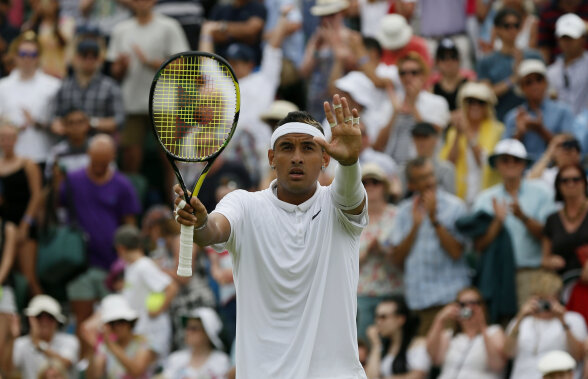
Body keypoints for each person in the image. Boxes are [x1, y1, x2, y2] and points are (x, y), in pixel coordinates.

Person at [174, 94, 368, 378]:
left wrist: (350, 164)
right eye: (287, 148)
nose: (297, 157)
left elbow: (351, 195)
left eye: (308, 148)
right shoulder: (244, 203)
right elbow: (213, 230)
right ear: (271, 158)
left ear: (326, 158)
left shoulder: (338, 203)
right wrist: (201, 222)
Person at [62, 134, 140, 357]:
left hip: (112, 266)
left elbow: (130, 227)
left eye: (103, 162)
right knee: (84, 323)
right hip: (80, 266)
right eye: (95, 161)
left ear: (112, 158)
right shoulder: (73, 180)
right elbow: (53, 207)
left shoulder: (122, 185)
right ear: (88, 156)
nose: (98, 167)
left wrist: (126, 263)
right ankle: (87, 367)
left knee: (112, 323)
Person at [107, 0, 189, 175]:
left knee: (169, 158)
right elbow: (115, 71)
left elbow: (181, 66)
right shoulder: (120, 29)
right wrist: (121, 66)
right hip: (132, 102)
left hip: (163, 103)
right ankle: (130, 201)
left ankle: (176, 200)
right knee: (130, 156)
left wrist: (149, 62)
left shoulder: (169, 26)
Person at [390, 157, 470, 336]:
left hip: (449, 301)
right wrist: (415, 227)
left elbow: (457, 252)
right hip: (418, 303)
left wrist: (434, 219)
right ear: (411, 185)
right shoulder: (403, 211)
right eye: (422, 178)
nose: (430, 182)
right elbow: (396, 259)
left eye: (431, 175)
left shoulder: (455, 206)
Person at [473, 139, 555, 307]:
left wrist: (523, 217)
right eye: (505, 160)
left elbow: (550, 236)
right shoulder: (484, 199)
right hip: (497, 277)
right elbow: (478, 246)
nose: (511, 164)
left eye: (516, 160)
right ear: (496, 164)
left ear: (524, 164)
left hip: (532, 274)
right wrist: (497, 223)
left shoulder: (542, 192)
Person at [114, 224, 178, 362]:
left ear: (120, 248)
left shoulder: (144, 266)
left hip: (153, 331)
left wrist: (157, 310)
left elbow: (171, 287)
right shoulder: (132, 266)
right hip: (142, 330)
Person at [373, 52, 450, 167]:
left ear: (423, 75)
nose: (408, 77)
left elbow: (433, 139)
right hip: (392, 167)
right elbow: (378, 146)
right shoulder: (390, 104)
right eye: (403, 73)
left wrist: (413, 106)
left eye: (414, 72)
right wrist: (394, 113)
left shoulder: (437, 102)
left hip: (421, 167)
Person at [504, 274, 587, 379]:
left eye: (549, 300)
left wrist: (563, 322)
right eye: (540, 299)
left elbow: (578, 355)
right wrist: (520, 318)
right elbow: (507, 353)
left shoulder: (573, 319)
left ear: (558, 298)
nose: (544, 305)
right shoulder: (521, 321)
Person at [0, 31, 61, 166]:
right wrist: (11, 126)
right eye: (23, 54)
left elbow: (59, 123)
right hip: (8, 158)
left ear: (39, 57)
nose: (27, 59)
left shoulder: (54, 86)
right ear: (15, 56)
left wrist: (38, 123)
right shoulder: (2, 86)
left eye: (33, 55)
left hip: (42, 153)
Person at [439, 82, 504, 205]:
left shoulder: (498, 130)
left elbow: (484, 162)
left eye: (480, 102)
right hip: (460, 198)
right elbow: (449, 165)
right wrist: (458, 135)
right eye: (471, 102)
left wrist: (468, 134)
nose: (475, 106)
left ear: (487, 106)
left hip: (486, 196)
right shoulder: (453, 132)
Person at [356, 163, 400, 341]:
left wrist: (384, 251)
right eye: (365, 182)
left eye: (375, 182)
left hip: (393, 290)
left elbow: (405, 253)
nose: (370, 186)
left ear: (384, 186)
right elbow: (344, 260)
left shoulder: (398, 215)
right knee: (364, 344)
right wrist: (368, 251)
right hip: (364, 293)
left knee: (393, 346)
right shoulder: (353, 218)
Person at [477, 7, 543, 121]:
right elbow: (485, 95)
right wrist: (514, 79)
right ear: (497, 29)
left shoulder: (534, 56)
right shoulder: (486, 61)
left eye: (516, 25)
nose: (512, 30)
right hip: (499, 120)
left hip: (532, 119)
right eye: (507, 26)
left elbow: (543, 90)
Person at [0, 121, 43, 296]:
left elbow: (36, 195)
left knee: (28, 276)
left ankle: (45, 314)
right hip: (4, 226)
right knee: (10, 274)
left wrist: (26, 224)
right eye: (2, 138)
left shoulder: (28, 164)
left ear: (16, 139)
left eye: (10, 137)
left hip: (24, 224)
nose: (6, 142)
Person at [427, 287, 507, 379]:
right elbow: (434, 358)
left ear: (483, 307)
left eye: (474, 303)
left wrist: (482, 326)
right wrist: (439, 319)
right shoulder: (449, 335)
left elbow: (497, 365)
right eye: (462, 304)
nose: (469, 308)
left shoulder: (494, 331)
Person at [51, 36, 125, 136]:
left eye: (94, 56)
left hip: (99, 142)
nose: (89, 60)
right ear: (76, 58)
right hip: (69, 142)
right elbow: (53, 117)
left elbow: (119, 120)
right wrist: (67, 125)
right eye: (84, 55)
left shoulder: (110, 87)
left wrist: (91, 123)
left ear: (99, 59)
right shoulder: (64, 86)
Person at [504, 59, 576, 161]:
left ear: (546, 82)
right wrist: (519, 133)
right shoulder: (512, 117)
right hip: (523, 175)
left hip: (556, 173)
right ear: (521, 87)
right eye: (528, 82)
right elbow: (505, 158)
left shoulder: (563, 111)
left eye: (539, 79)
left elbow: (571, 151)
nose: (535, 86)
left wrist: (541, 130)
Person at [300, 0, 359, 121]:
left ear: (341, 13)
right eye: (323, 16)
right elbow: (304, 71)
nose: (326, 20)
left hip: (340, 97)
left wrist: (333, 42)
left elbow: (353, 65)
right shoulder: (316, 38)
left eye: (331, 15)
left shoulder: (351, 37)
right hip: (316, 97)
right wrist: (316, 46)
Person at [4, 295, 79, 379]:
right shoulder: (20, 343)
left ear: (57, 321)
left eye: (50, 317)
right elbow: (7, 370)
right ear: (30, 319)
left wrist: (39, 345)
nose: (44, 321)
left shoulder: (69, 340)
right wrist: (11, 339)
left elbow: (66, 364)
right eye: (39, 316)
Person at [87, 294, 157, 379]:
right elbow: (94, 376)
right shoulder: (105, 347)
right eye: (112, 323)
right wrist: (93, 346)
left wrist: (112, 346)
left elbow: (136, 372)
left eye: (121, 321)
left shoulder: (145, 342)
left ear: (130, 322)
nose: (117, 327)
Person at [364, 296, 430, 379]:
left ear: (400, 319)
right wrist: (376, 345)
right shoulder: (384, 347)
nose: (378, 322)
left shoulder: (419, 343)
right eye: (376, 317)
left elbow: (418, 376)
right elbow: (371, 377)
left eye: (383, 317)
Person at [542, 163, 588, 278]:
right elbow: (544, 259)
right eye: (564, 180)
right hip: (562, 285)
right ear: (558, 185)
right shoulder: (552, 219)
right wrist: (550, 262)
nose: (570, 184)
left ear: (584, 183)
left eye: (576, 179)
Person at [161, 307, 230, 379]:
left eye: (194, 328)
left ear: (207, 333)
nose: (188, 332)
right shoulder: (175, 358)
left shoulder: (221, 361)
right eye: (187, 328)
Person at [546, 13, 588, 115]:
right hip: (561, 129)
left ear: (583, 38)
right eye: (564, 38)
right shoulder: (551, 71)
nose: (567, 42)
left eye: (571, 38)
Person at [21, 0, 74, 78]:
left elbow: (65, 43)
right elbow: (26, 39)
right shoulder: (34, 25)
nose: (48, 5)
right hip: (39, 73)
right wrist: (36, 15)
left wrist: (54, 23)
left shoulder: (66, 22)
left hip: (60, 72)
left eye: (52, 2)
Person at [206, 0, 267, 65]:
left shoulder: (258, 7)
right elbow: (213, 33)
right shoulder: (221, 8)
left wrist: (223, 26)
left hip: (250, 67)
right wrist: (241, 33)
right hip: (222, 65)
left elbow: (251, 30)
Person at [44, 108, 91, 181]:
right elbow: (50, 178)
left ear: (87, 124)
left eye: (80, 122)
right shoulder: (56, 152)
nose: (76, 126)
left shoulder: (97, 148)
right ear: (64, 126)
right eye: (71, 123)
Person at [411, 122, 456, 195]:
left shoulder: (446, 170)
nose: (421, 142)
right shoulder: (405, 169)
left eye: (425, 137)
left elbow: (451, 200)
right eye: (417, 137)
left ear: (435, 140)